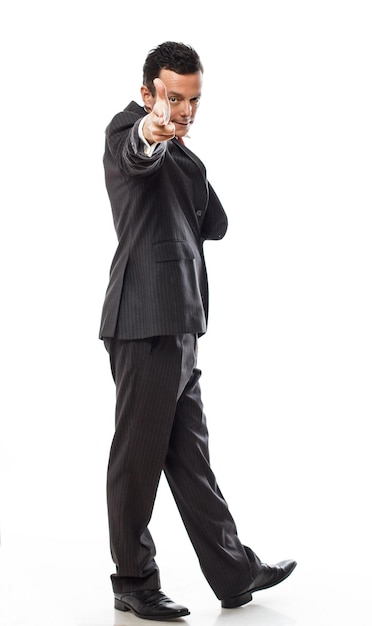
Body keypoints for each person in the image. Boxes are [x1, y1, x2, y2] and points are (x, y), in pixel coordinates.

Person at [99, 41, 297, 621]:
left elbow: (217, 224)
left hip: (182, 324)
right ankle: (133, 580)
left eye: (193, 100)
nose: (183, 110)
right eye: (171, 98)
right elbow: (137, 153)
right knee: (137, 457)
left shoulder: (185, 157)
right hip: (145, 322)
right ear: (147, 95)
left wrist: (189, 158)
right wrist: (154, 134)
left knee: (191, 460)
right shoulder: (128, 131)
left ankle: (234, 572)